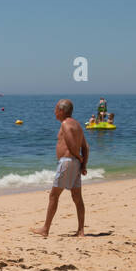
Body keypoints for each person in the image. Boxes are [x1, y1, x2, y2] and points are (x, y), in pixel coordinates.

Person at [32, 99, 88, 237]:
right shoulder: (77, 125)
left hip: (67, 162)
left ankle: (45, 229)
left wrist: (78, 157)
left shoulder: (65, 124)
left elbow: (71, 144)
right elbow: (86, 147)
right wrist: (83, 163)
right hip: (74, 163)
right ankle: (81, 230)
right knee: (77, 197)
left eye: (56, 109)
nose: (54, 111)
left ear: (62, 111)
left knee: (53, 195)